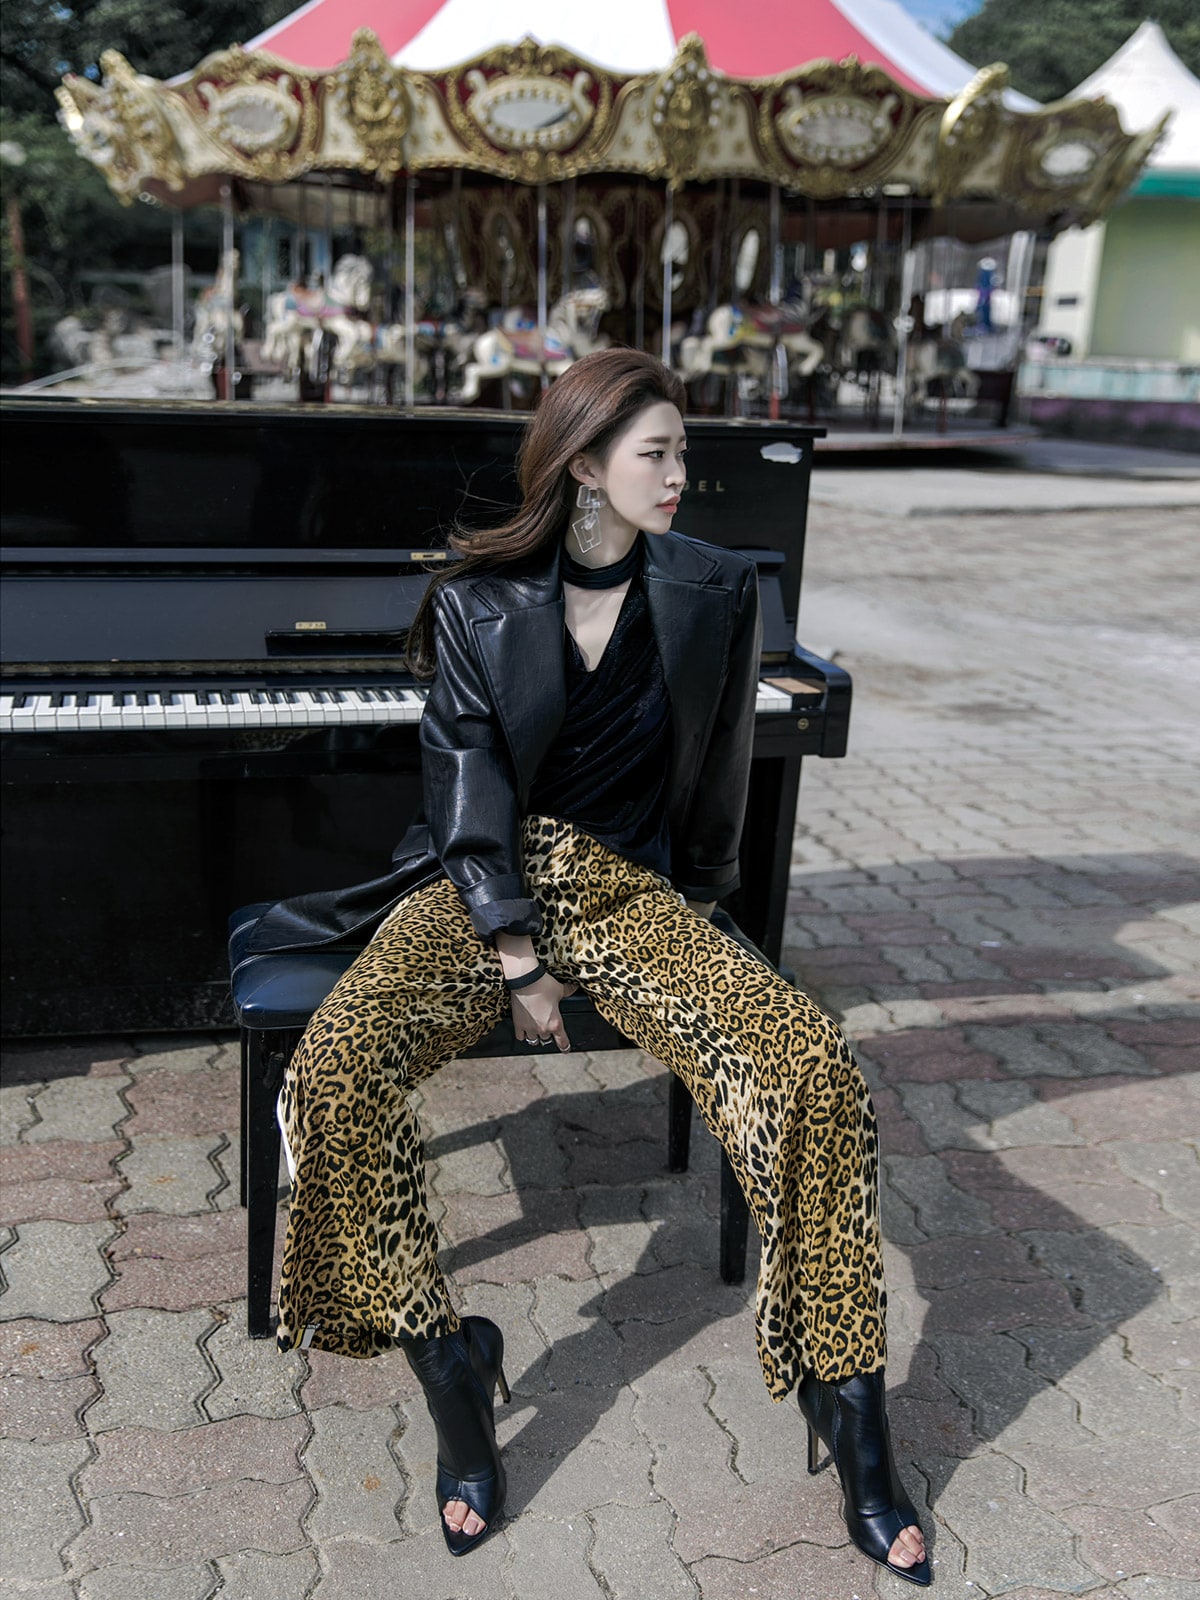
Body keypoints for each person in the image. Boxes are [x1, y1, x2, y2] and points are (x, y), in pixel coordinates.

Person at [247, 348, 930, 1584]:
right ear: (583, 466)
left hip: (632, 895)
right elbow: (467, 784)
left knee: (814, 1073)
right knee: (332, 1079)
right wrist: (517, 956)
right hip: (481, 892)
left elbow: (723, 776)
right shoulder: (479, 602)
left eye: (683, 454)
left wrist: (706, 933)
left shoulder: (715, 587)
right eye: (655, 454)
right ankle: (454, 1372)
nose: (679, 476)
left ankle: (853, 1414)